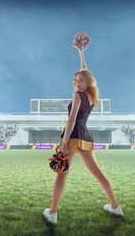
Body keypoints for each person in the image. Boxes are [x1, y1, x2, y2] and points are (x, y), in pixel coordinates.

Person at [43, 47, 123, 224]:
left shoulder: (78, 95)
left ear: (87, 82)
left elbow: (71, 120)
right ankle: (116, 208)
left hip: (72, 136)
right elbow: (86, 73)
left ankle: (52, 213)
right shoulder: (91, 95)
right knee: (99, 174)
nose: (77, 82)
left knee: (62, 174)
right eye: (75, 79)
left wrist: (64, 144)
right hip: (86, 137)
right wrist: (81, 53)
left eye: (81, 80)